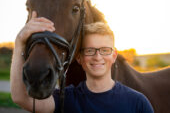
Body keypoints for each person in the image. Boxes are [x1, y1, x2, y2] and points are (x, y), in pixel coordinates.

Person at [11, 11, 154, 113]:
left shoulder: (138, 102)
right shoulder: (65, 99)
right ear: (79, 58)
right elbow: (20, 98)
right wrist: (19, 43)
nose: (97, 57)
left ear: (114, 55)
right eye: (90, 50)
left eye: (104, 50)